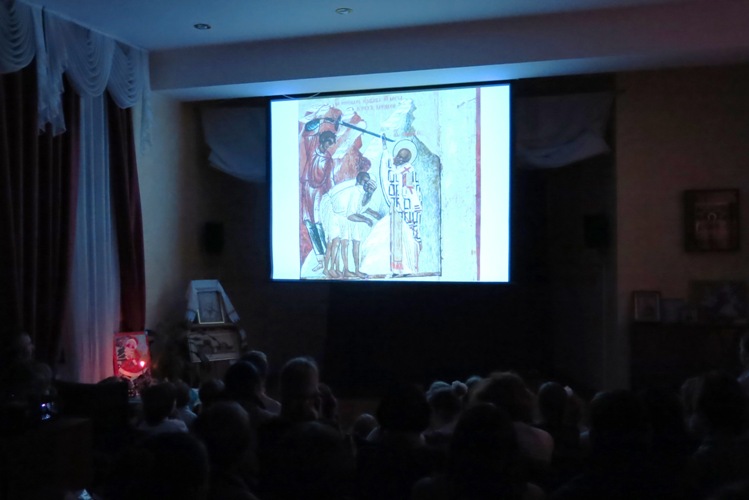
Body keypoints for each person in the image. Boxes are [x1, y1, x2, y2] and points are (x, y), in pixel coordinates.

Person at [320, 171, 380, 278]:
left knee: (354, 241)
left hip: (346, 215)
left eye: (368, 181)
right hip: (335, 214)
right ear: (359, 182)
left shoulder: (364, 192)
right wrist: (366, 220)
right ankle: (330, 269)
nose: (367, 184)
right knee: (335, 242)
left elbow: (361, 208)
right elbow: (351, 215)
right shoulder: (356, 191)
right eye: (365, 181)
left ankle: (353, 270)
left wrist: (370, 195)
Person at [379, 137, 423, 275]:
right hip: (397, 208)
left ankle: (409, 268)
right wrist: (385, 149)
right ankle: (397, 269)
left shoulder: (408, 171)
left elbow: (410, 190)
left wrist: (410, 204)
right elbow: (388, 168)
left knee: (407, 237)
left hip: (407, 208)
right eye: (398, 155)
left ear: (405, 161)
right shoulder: (395, 167)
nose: (397, 159)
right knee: (396, 238)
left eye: (401, 158)